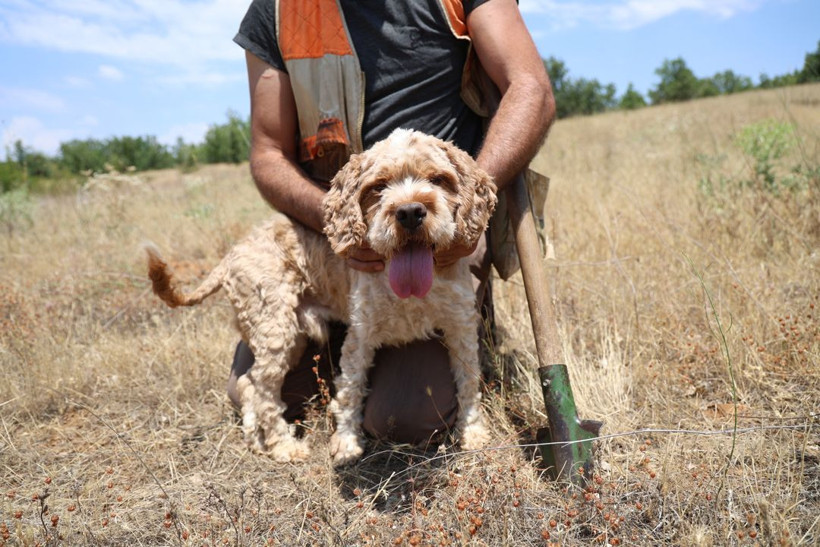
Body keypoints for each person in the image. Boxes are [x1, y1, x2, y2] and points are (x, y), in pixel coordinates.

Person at [229, 0, 555, 446]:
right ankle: (345, 334)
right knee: (261, 392)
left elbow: (530, 89)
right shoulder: (277, 9)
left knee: (404, 419)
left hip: (441, 237)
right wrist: (340, 223)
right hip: (328, 239)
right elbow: (268, 154)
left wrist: (467, 206)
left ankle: (434, 339)